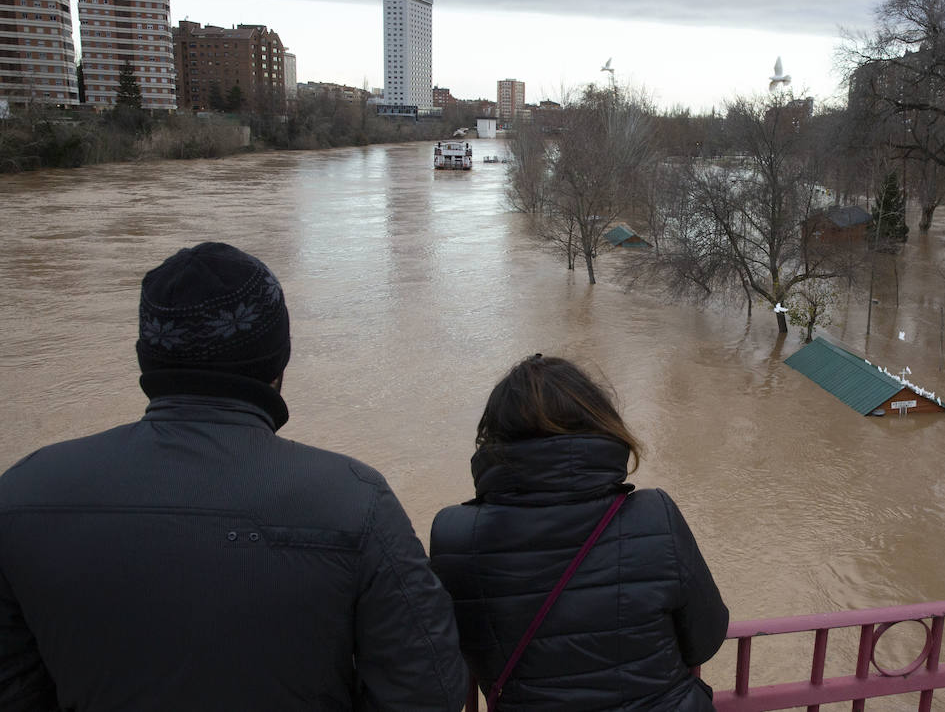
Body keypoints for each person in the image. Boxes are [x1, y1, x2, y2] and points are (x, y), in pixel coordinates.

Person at [0, 242, 467, 711]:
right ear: (278, 361)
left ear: (147, 359)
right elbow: (426, 692)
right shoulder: (358, 502)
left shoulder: (19, 497)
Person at [430, 355, 728, 710]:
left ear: (493, 438)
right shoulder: (654, 515)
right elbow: (705, 639)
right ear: (601, 423)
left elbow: (445, 661)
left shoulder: (454, 537)